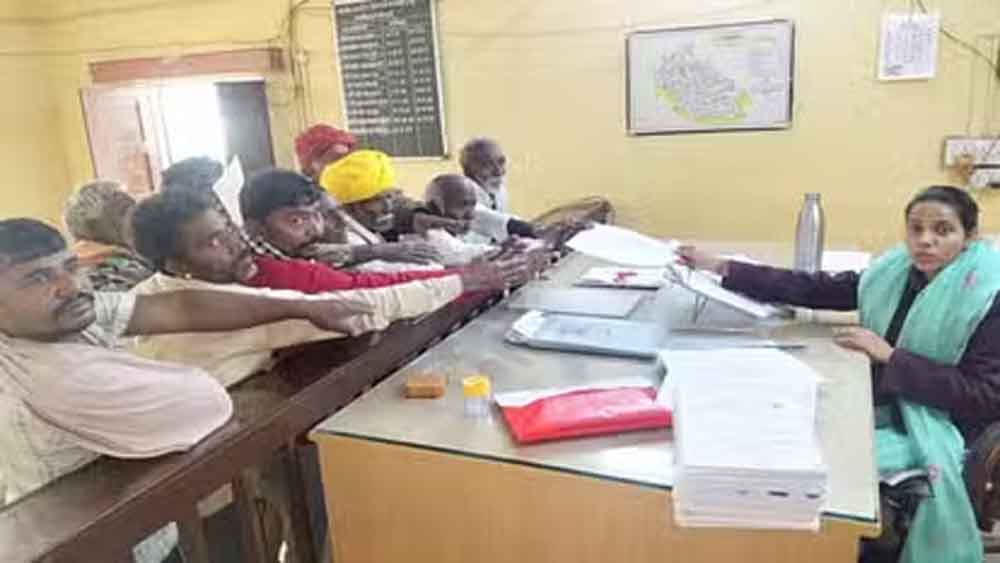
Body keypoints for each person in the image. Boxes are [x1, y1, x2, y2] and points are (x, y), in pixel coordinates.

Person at [0, 218, 372, 561]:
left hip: (139, 529)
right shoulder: (47, 378)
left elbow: (179, 306)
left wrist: (302, 307)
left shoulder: (61, 318)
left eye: (70, 267)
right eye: (37, 279)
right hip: (99, 546)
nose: (70, 286)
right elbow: (207, 400)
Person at [679, 186, 997, 563]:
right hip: (888, 397)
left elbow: (984, 395)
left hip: (941, 425)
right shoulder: (897, 273)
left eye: (943, 230)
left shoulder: (986, 294)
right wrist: (723, 267)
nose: (925, 240)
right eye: (916, 228)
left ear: (969, 236)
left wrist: (891, 357)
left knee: (819, 469)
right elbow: (819, 288)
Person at [131, 189, 532, 385]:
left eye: (227, 231)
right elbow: (361, 304)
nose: (234, 245)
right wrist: (467, 279)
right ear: (176, 265)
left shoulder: (156, 291)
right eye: (212, 243)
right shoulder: (221, 306)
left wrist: (466, 275)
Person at [257, 165, 442, 271]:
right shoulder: (260, 264)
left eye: (317, 216)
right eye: (296, 220)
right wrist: (378, 251)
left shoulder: (307, 247)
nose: (314, 228)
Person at [63, 180, 154, 291]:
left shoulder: (132, 254)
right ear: (94, 225)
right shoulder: (99, 269)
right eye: (124, 212)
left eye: (134, 208)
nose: (135, 217)